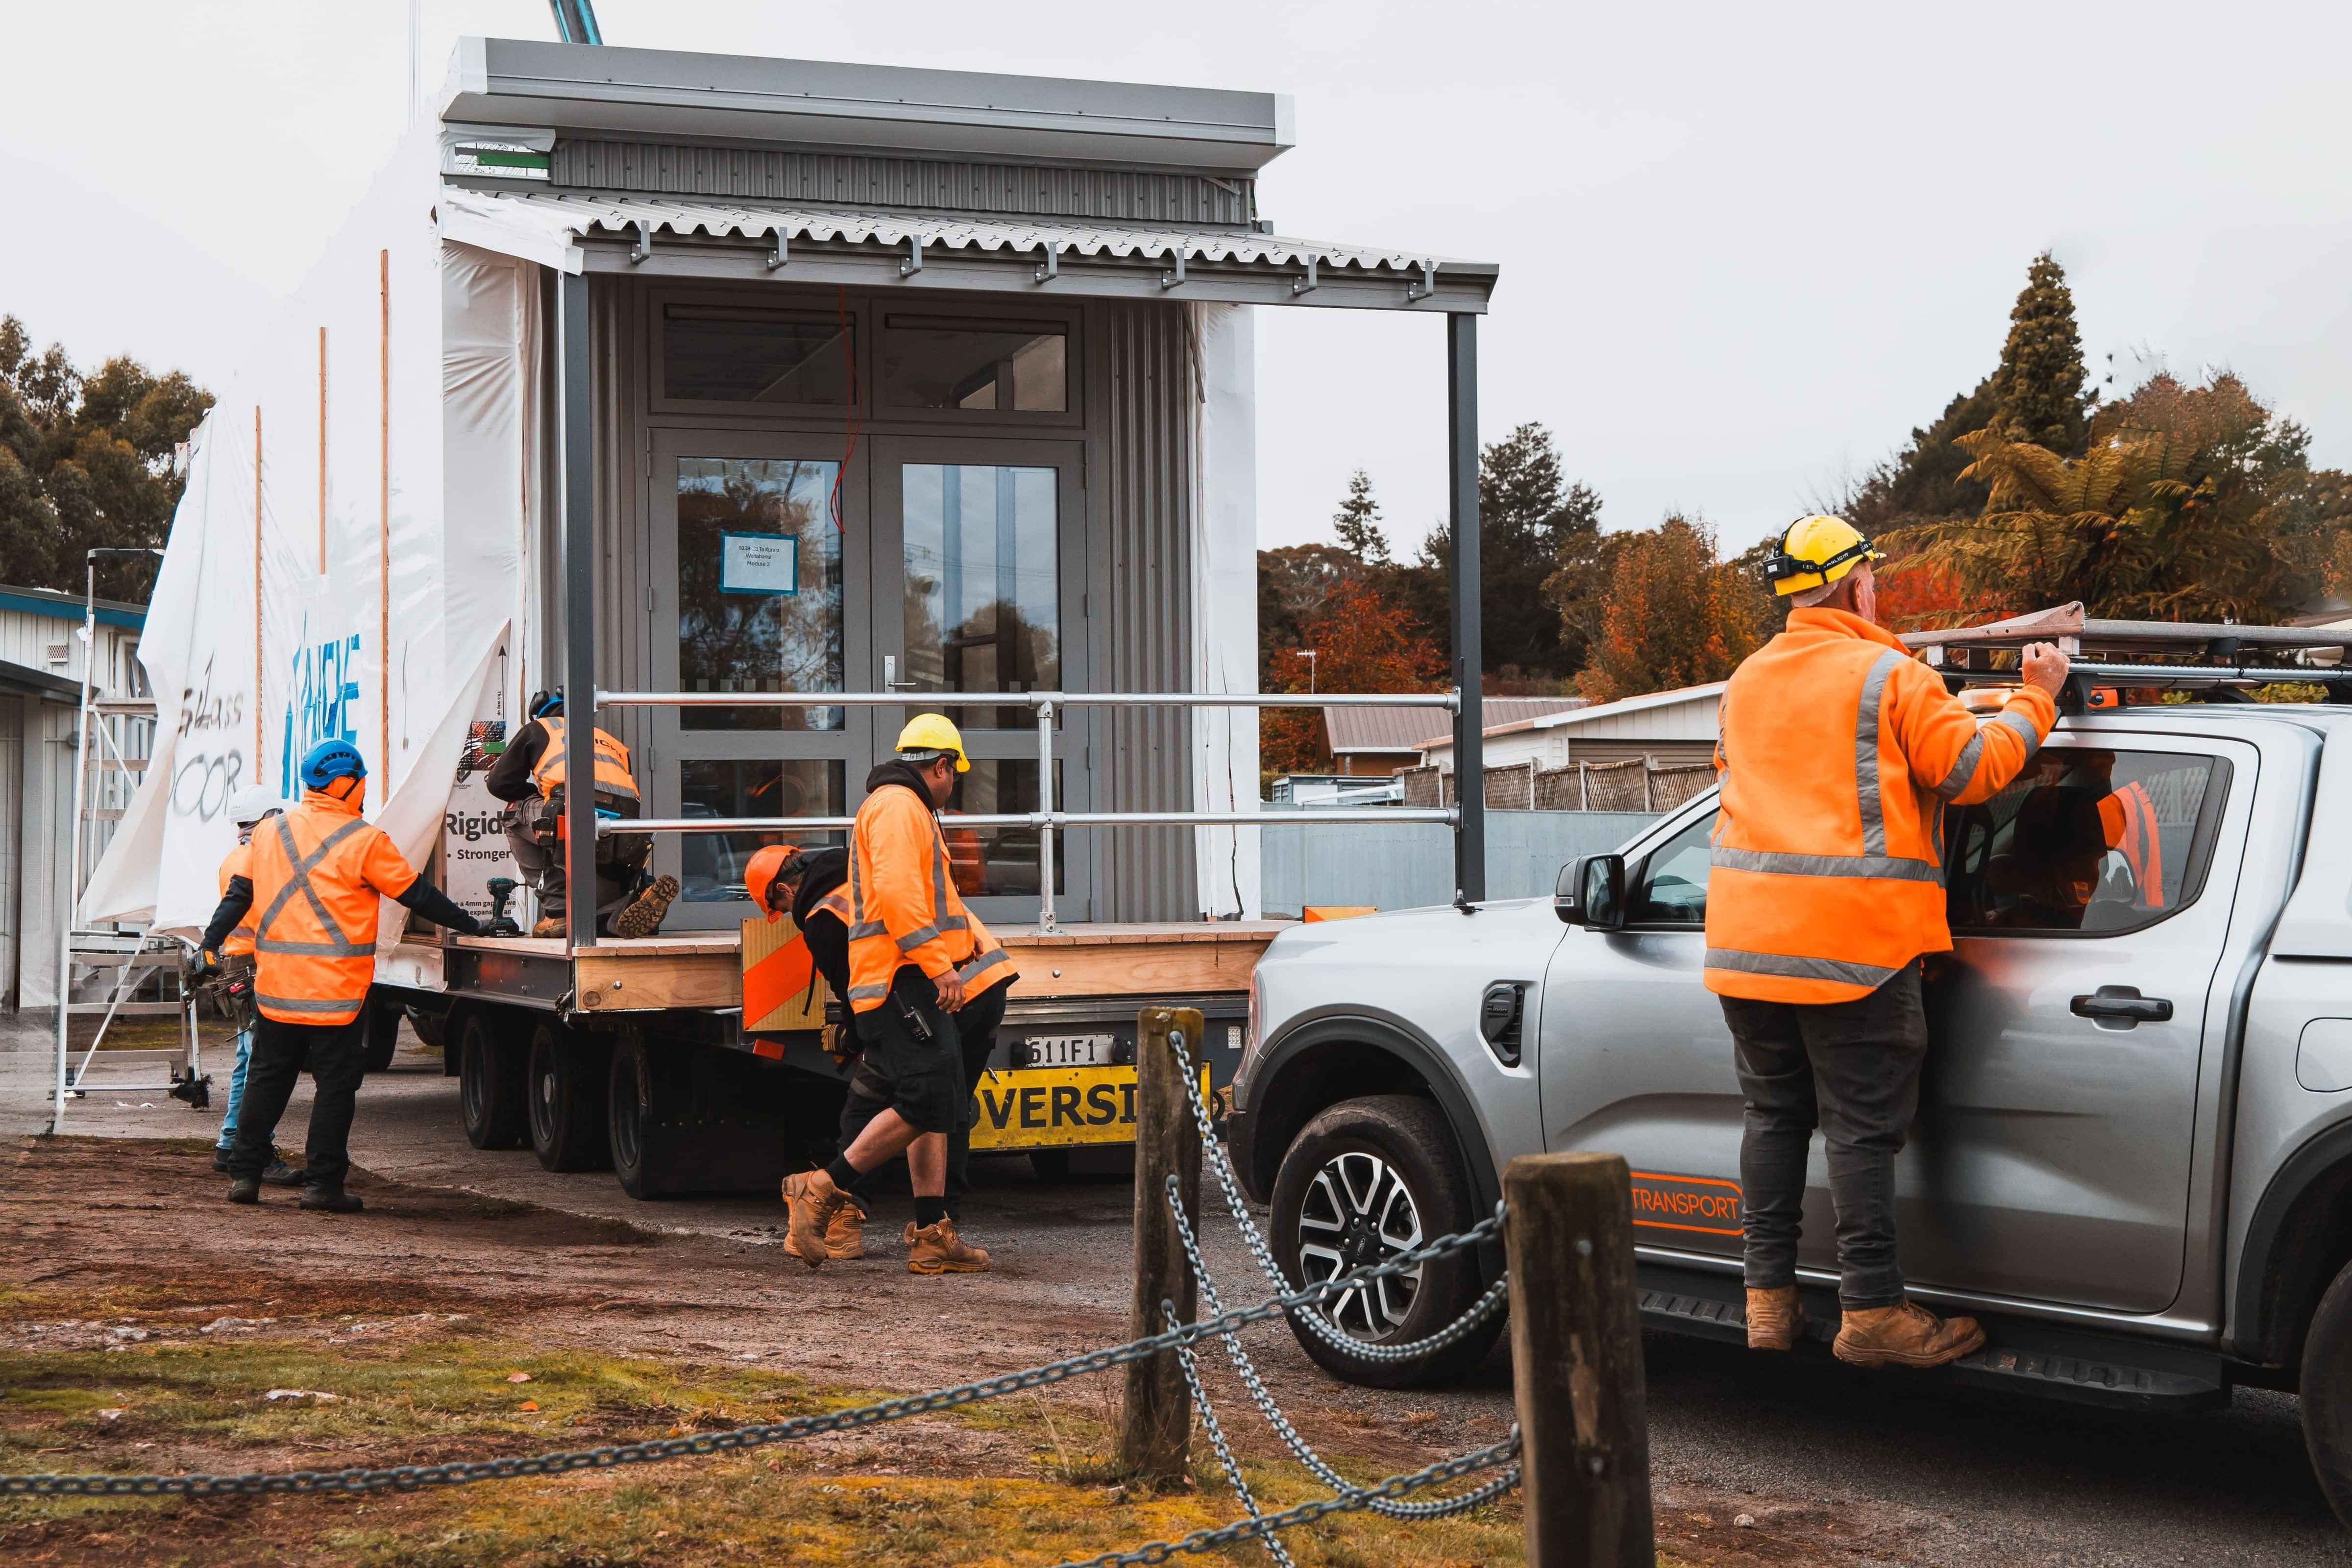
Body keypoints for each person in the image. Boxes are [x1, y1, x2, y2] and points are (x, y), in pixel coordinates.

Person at [1708, 514, 2068, 1369]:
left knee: (1772, 1119)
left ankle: (1767, 1301)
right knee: (1861, 1134)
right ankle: (1870, 1310)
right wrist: (2037, 698)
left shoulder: (1747, 680)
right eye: (1872, 573)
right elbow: (1973, 773)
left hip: (1746, 943)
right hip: (1855, 949)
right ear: (1857, 585)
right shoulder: (1890, 675)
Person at [196, 739, 484, 1210]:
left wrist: (209, 943)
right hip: (337, 997)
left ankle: (245, 1177)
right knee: (335, 1090)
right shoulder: (364, 840)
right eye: (364, 781)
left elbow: (238, 896)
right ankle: (322, 1187)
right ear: (344, 783)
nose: (367, 790)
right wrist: (473, 925)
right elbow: (418, 896)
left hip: (278, 992)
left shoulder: (270, 833)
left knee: (267, 1082)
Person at [778, 716, 1014, 1274]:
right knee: (930, 1100)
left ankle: (933, 1234)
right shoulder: (898, 806)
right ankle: (820, 1189)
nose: (952, 785)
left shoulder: (905, 807)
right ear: (940, 766)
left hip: (908, 977)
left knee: (935, 1102)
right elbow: (901, 893)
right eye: (953, 774)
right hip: (904, 978)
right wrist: (940, 968)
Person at [749, 840, 1012, 1264]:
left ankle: (837, 1211)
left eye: (778, 906)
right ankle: (936, 1229)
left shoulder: (823, 914)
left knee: (875, 1091)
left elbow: (856, 987)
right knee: (944, 1103)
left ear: (783, 889)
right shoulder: (865, 866)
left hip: (932, 991)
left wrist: (857, 1039)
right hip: (985, 979)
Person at [483, 689, 675, 939]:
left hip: (569, 815)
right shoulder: (611, 741)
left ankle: (558, 911)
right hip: (624, 833)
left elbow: (499, 784)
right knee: (606, 857)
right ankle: (622, 907)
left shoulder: (540, 728)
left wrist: (534, 792)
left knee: (514, 812)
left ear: (541, 713)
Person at [206, 785, 300, 1187]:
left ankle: (231, 1143)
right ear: (269, 817)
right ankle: (254, 1150)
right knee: (260, 1064)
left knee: (249, 1060)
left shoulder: (235, 857)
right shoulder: (260, 859)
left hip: (238, 964)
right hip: (256, 966)